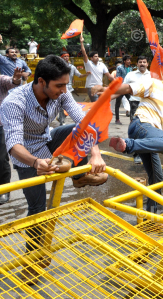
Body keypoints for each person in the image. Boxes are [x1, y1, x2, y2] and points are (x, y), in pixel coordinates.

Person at [1, 55, 108, 220]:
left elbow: (83, 122)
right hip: (26, 155)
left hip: (47, 138)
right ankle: (35, 246)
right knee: (37, 209)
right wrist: (36, 162)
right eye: (59, 85)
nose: (64, 90)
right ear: (42, 81)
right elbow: (14, 145)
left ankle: (79, 177)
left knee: (76, 129)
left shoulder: (61, 93)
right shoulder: (14, 102)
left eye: (65, 84)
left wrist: (96, 153)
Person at [99, 59, 163, 212]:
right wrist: (107, 90)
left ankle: (151, 217)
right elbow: (127, 88)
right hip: (140, 125)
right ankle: (128, 145)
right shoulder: (154, 84)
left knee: (157, 178)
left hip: (151, 138)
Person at [0, 67, 24, 205]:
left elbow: (12, 82)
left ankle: (4, 189)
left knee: (1, 159)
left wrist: (16, 79)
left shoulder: (1, 79)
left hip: (0, 126)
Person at [123, 56, 152, 165]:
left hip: (148, 104)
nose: (142, 64)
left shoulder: (152, 75)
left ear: (147, 64)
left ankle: (147, 151)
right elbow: (124, 88)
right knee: (135, 127)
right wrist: (128, 105)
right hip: (135, 104)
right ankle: (136, 153)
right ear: (137, 64)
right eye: (140, 62)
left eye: (144, 62)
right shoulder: (131, 75)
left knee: (148, 127)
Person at [57, 51, 90, 125]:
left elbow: (79, 75)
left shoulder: (72, 67)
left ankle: (62, 119)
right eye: (64, 56)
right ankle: (62, 121)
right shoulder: (57, 67)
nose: (66, 58)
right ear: (61, 58)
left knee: (69, 105)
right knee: (61, 106)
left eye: (67, 56)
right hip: (60, 88)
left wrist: (86, 74)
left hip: (69, 88)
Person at [79, 33, 113, 102]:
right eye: (95, 56)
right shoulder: (88, 64)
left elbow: (109, 75)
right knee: (96, 103)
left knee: (100, 104)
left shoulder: (102, 65)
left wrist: (116, 82)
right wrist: (81, 42)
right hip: (91, 87)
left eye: (98, 56)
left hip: (100, 87)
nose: (97, 57)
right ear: (91, 58)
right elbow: (84, 54)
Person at [114, 55, 132, 124]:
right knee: (118, 103)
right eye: (128, 60)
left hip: (127, 88)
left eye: (129, 60)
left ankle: (132, 119)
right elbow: (118, 77)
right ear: (124, 61)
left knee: (131, 102)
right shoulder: (120, 67)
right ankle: (117, 119)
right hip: (121, 87)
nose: (129, 61)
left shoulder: (130, 68)